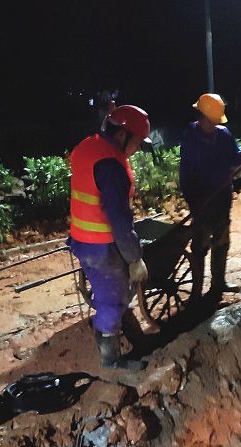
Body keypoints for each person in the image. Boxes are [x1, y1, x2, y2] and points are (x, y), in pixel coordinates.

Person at [68, 104, 151, 371]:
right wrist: (135, 258)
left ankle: (116, 332)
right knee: (112, 302)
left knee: (107, 295)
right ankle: (111, 360)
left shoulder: (88, 147)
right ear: (122, 135)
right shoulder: (111, 164)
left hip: (81, 238)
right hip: (102, 245)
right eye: (137, 142)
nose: (136, 149)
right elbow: (119, 220)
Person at [179, 93, 241, 301]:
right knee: (200, 244)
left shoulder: (224, 135)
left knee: (222, 240)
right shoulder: (191, 137)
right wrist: (193, 202)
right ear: (202, 116)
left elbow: (235, 156)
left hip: (222, 196)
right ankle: (196, 290)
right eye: (212, 120)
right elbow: (186, 174)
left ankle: (218, 284)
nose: (214, 124)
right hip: (201, 198)